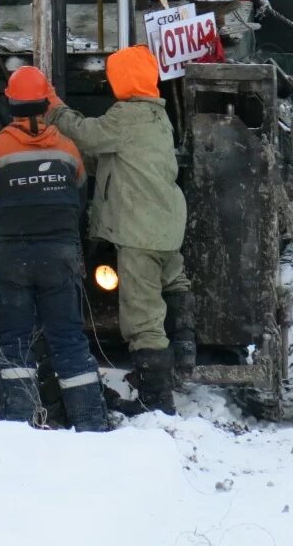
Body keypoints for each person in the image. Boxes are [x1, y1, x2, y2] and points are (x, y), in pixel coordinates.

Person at [46, 44, 194, 415]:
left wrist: (54, 109)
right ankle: (185, 350)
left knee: (141, 316)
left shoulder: (126, 116)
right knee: (173, 286)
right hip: (166, 226)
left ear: (122, 80)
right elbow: (113, 160)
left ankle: (156, 400)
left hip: (139, 231)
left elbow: (86, 134)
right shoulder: (157, 117)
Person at [0, 66, 108, 432]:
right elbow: (79, 200)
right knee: (68, 338)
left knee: (14, 341)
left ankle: (19, 422)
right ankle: (90, 422)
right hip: (58, 258)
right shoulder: (68, 150)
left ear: (10, 103)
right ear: (46, 102)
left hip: (7, 260)